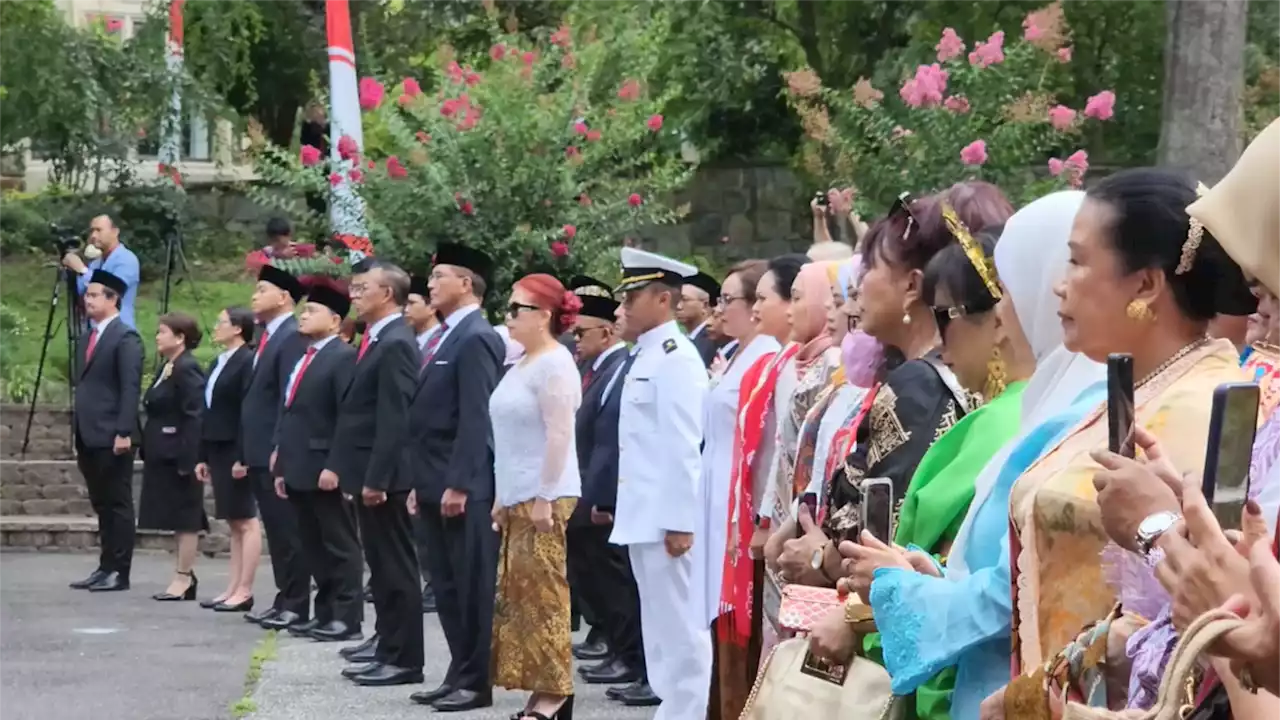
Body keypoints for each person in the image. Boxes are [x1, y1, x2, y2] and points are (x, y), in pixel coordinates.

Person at [984, 169, 1253, 716]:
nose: (1060, 283)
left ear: (1146, 286)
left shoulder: (1200, 409)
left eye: (1079, 261)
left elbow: (1177, 611)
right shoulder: (1132, 393)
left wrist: (1043, 694)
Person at [836, 192, 1101, 720]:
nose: (1000, 309)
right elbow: (1007, 570)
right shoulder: (1050, 405)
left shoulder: (1080, 415)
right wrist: (931, 577)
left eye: (1005, 290)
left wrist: (901, 589)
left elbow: (1020, 592)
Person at [611, 246, 711, 720]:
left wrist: (679, 521)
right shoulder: (650, 353)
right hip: (643, 515)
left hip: (664, 520)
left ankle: (687, 713)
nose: (623, 306)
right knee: (659, 630)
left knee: (682, 631)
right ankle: (671, 710)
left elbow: (682, 446)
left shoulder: (677, 357)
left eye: (633, 296)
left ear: (663, 300)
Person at [408, 243, 505, 711]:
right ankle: (458, 671)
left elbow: (476, 416)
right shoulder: (446, 335)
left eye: (439, 276)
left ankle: (477, 679)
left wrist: (462, 482)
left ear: (466, 284)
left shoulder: (476, 336)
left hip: (460, 486)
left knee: (470, 587)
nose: (429, 284)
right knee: (445, 586)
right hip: (430, 482)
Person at [489, 274, 584, 720]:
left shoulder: (555, 363)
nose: (507, 318)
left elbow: (559, 433)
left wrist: (545, 495)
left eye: (516, 310)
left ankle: (555, 695)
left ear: (544, 315)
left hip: (546, 495)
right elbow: (509, 439)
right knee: (522, 599)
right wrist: (500, 495)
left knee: (546, 596)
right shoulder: (523, 363)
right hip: (517, 495)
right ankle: (540, 690)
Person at [328, 258, 422, 687]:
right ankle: (388, 647)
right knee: (381, 568)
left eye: (362, 287)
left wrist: (378, 478)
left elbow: (395, 417)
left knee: (396, 567)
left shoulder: (398, 341)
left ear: (387, 294)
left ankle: (405, 659)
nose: (353, 294)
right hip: (366, 470)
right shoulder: (376, 338)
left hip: (386, 478)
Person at [701, 258, 782, 720]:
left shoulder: (767, 357)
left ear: (756, 306)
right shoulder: (736, 356)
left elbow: (767, 449)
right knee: (718, 631)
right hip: (717, 505)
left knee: (741, 642)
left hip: (743, 512)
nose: (720, 308)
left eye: (728, 299)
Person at [565, 276, 646, 694]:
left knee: (618, 583)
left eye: (582, 332)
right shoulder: (598, 369)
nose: (574, 340)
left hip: (605, 495)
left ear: (607, 332)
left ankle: (631, 657)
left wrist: (603, 496)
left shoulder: (621, 366)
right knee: (600, 579)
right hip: (588, 491)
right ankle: (619, 651)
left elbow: (611, 439)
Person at [272, 284, 362, 642]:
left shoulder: (342, 357)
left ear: (336, 320)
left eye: (313, 311)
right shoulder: (304, 356)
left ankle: (347, 615)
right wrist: (280, 454)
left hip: (324, 463)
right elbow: (290, 409)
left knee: (339, 542)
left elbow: (347, 416)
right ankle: (324, 611)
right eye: (304, 310)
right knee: (312, 542)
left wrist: (336, 465)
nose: (304, 316)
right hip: (297, 462)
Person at [239, 264, 311, 631]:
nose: (254, 296)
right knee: (277, 530)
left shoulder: (291, 337)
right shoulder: (269, 336)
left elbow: (289, 398)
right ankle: (285, 596)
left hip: (274, 449)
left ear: (283, 297)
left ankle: (297, 603)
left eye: (262, 289)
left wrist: (279, 447)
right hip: (257, 449)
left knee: (288, 531)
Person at [69, 269, 143, 593]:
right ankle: (105, 565)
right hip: (88, 433)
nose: (88, 300)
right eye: (87, 295)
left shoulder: (126, 337)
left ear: (113, 299)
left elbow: (129, 388)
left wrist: (124, 430)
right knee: (101, 503)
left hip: (113, 433)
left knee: (118, 502)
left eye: (95, 295)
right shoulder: (87, 337)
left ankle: (120, 570)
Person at [138, 312, 208, 601]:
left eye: (163, 331)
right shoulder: (168, 367)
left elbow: (195, 414)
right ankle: (182, 573)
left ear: (180, 337)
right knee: (175, 516)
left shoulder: (187, 368)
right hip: (161, 452)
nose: (157, 336)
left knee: (186, 516)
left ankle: (184, 576)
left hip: (179, 453)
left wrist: (190, 458)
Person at [196, 306, 259, 612]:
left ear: (238, 328)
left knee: (246, 520)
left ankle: (245, 589)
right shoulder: (218, 361)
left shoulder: (247, 361)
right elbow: (208, 409)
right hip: (217, 446)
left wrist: (243, 456)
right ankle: (231, 587)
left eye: (221, 322)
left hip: (236, 447)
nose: (216, 327)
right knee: (234, 521)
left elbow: (248, 410)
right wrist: (203, 454)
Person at [405, 272, 440, 613]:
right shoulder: (412, 342)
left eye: (413, 303)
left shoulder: (437, 342)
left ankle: (434, 581)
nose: (406, 309)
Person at [66, 214, 141, 329]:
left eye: (99, 230)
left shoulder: (127, 259)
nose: (94, 235)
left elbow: (113, 289)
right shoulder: (96, 263)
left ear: (115, 232)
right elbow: (82, 292)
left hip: (119, 330)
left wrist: (82, 269)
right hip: (95, 330)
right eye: (92, 231)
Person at [681, 271, 723, 367]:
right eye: (677, 299)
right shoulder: (687, 338)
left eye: (685, 300)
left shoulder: (712, 340)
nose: (678, 306)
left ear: (705, 305)